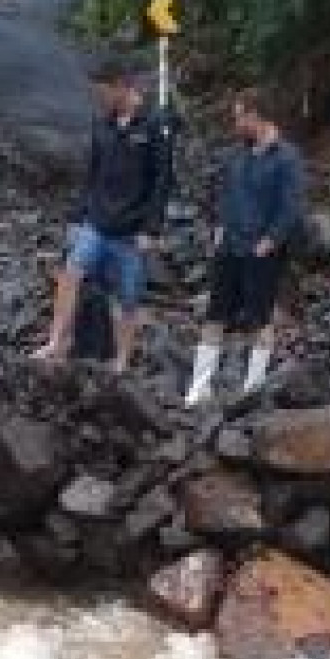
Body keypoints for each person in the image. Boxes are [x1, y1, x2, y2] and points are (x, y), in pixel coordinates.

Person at [36, 57, 174, 373]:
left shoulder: (153, 127)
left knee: (127, 298)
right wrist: (78, 215)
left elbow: (162, 181)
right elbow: (92, 174)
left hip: (131, 230)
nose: (100, 99)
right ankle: (56, 341)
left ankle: (122, 360)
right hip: (96, 222)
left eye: (103, 93)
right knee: (71, 274)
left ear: (122, 87)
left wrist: (151, 228)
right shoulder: (103, 125)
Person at [185, 89, 307, 406]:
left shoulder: (287, 157)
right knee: (215, 316)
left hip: (261, 250)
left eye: (240, 116)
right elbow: (226, 193)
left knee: (260, 320)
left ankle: (253, 388)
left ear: (256, 116)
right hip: (230, 246)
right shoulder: (237, 155)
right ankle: (199, 389)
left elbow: (291, 206)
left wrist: (270, 241)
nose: (236, 123)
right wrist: (221, 228)